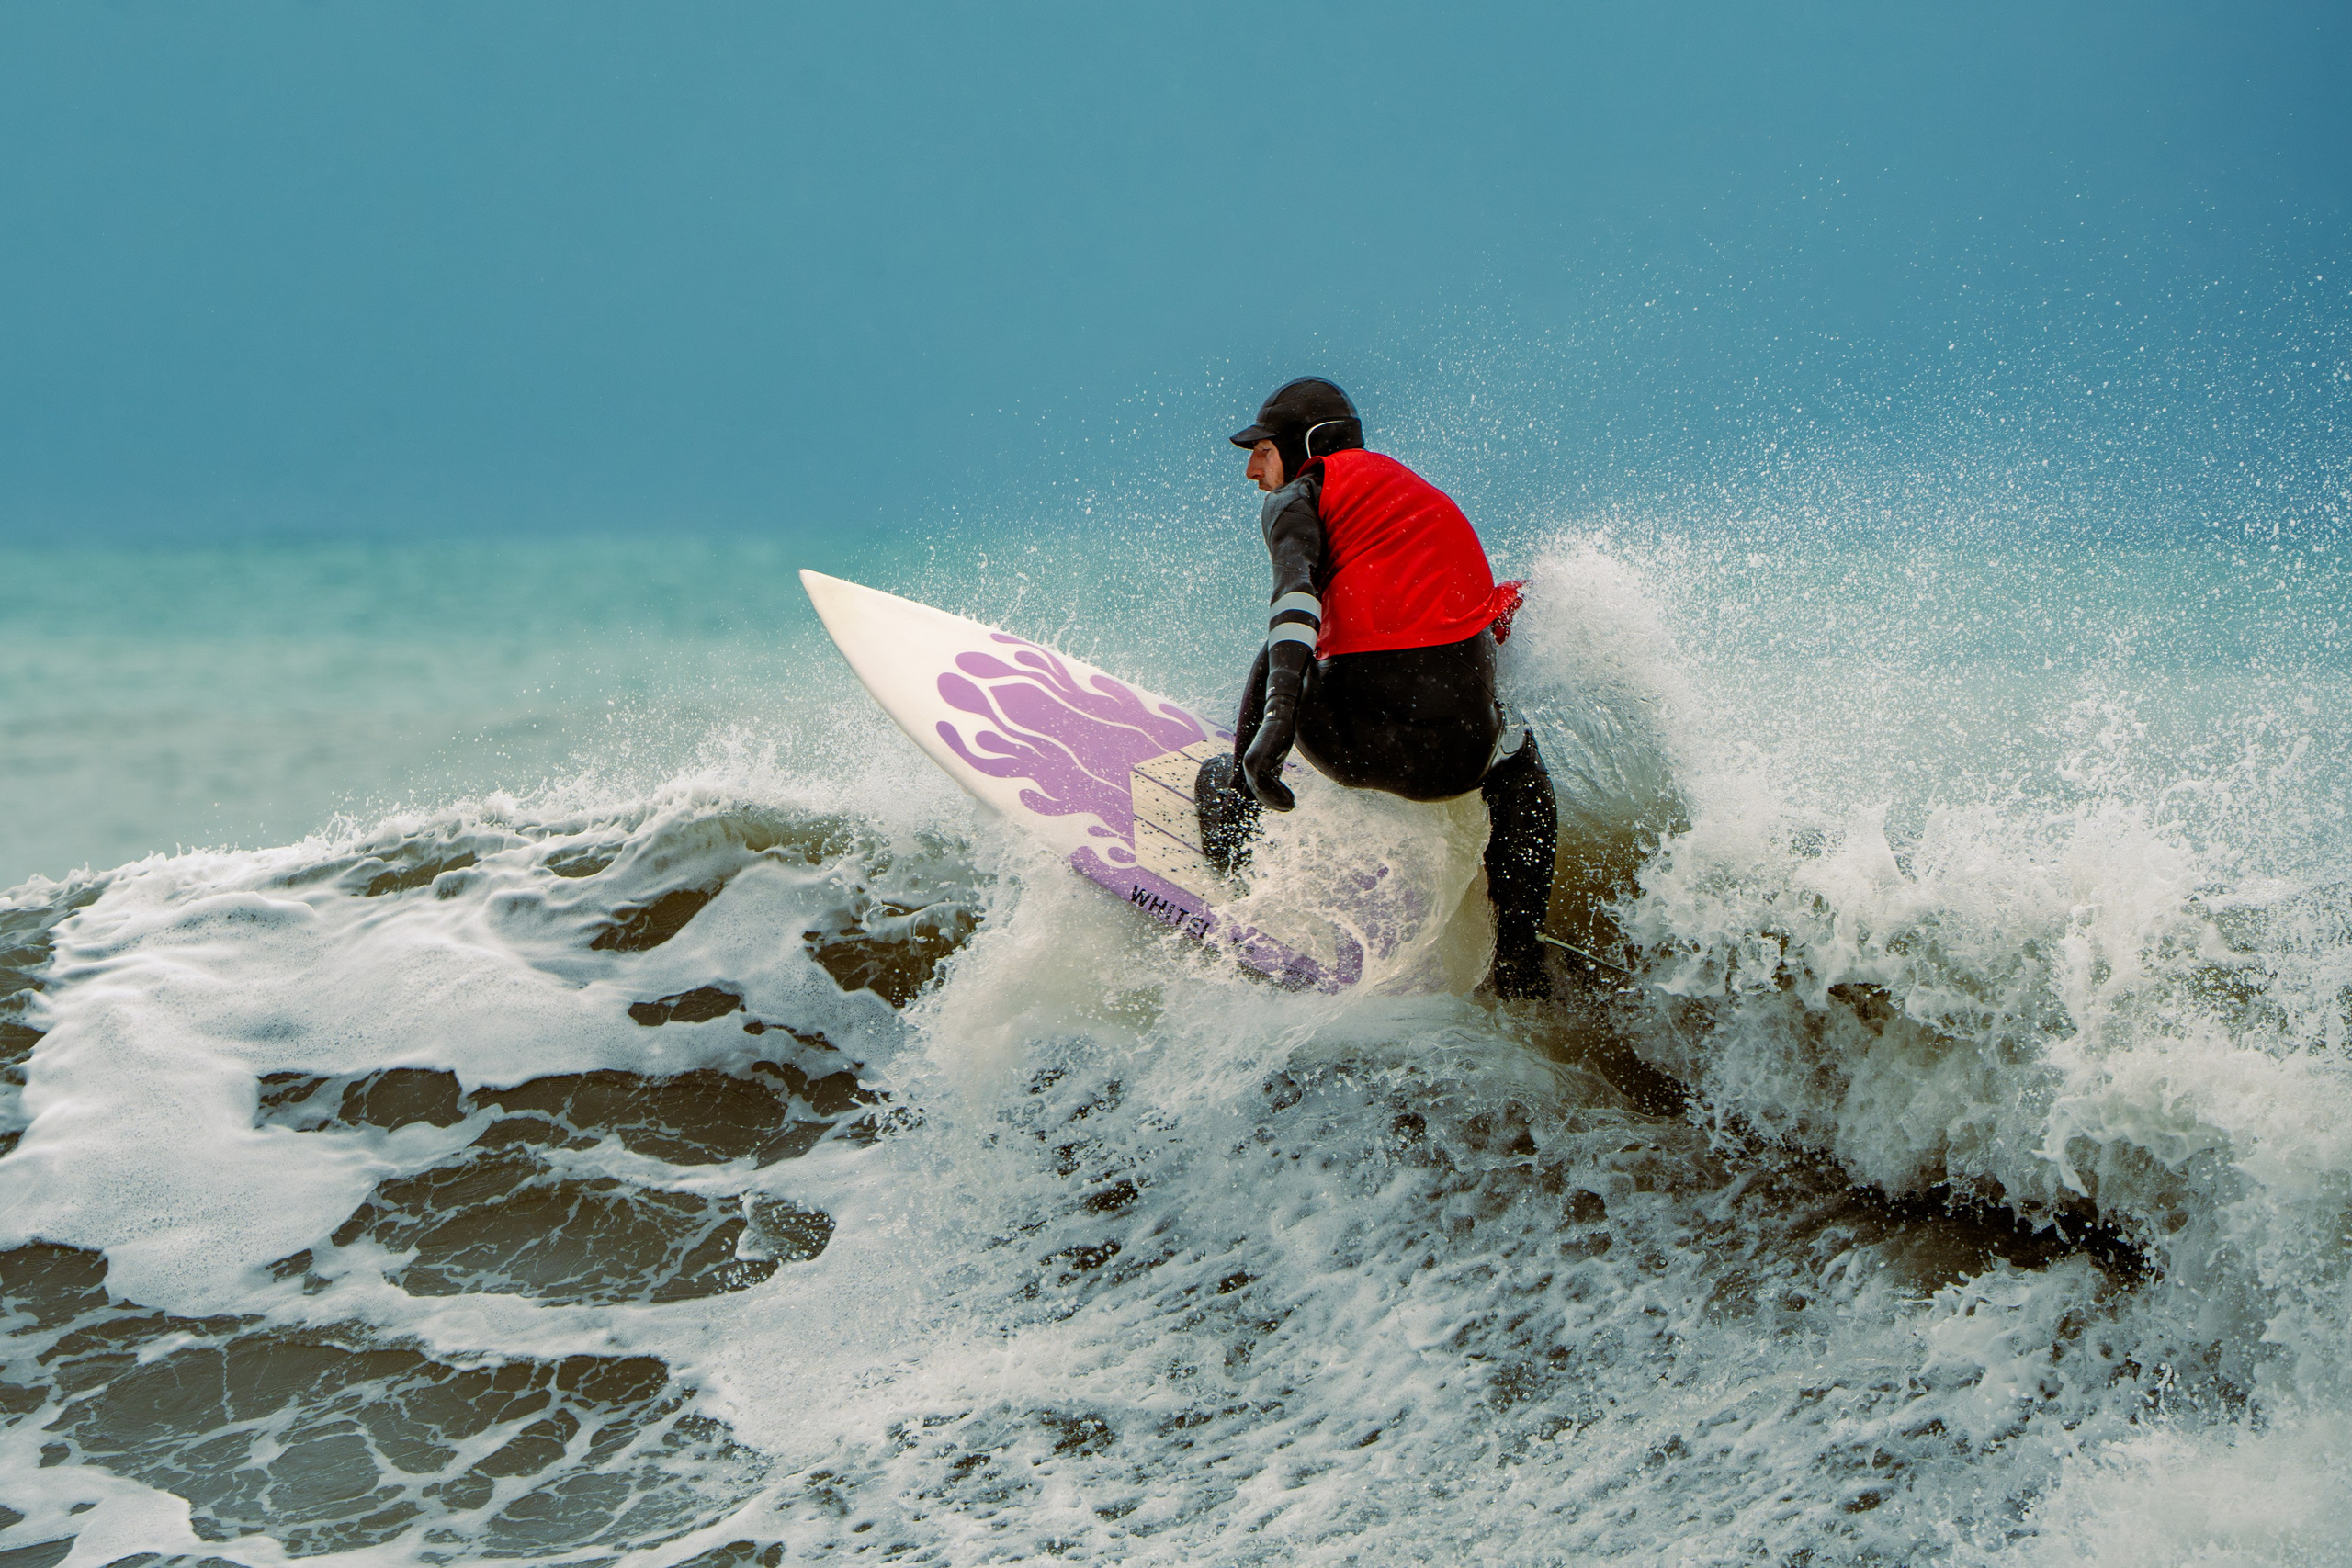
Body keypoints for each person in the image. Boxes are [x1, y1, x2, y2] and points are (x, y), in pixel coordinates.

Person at [1195, 377, 1559, 999]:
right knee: (1519, 760)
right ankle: (1519, 958)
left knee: (1277, 652)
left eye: (1262, 449)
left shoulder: (1301, 493)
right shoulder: (1421, 504)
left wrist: (1278, 717)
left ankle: (1234, 809)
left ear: (1307, 444)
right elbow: (1487, 624)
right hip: (1459, 763)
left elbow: (1294, 597)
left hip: (1353, 749)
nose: (1253, 470)